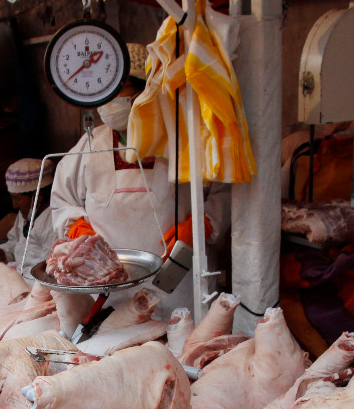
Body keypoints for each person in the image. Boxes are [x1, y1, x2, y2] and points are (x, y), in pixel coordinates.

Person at [50, 44, 228, 312]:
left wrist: (203, 224)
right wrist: (77, 228)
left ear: (147, 90)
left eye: (120, 90)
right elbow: (62, 201)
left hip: (179, 284)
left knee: (184, 335)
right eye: (106, 91)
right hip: (109, 287)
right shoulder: (90, 145)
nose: (110, 100)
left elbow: (226, 192)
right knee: (114, 335)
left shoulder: (188, 138)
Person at [0, 158, 58, 274]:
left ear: (37, 196)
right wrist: (1, 252)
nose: (14, 205)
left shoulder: (53, 222)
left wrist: (12, 269)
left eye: (18, 198)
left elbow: (47, 271)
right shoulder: (27, 212)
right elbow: (16, 242)